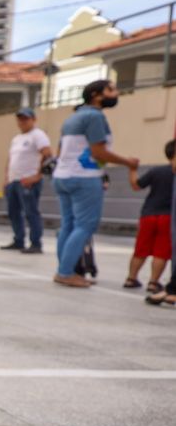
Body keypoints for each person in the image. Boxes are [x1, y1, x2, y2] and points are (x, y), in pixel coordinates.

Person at [51, 80, 140, 289]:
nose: (116, 93)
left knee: (69, 224)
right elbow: (98, 152)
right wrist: (128, 162)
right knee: (85, 225)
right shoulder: (95, 117)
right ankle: (65, 272)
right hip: (84, 176)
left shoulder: (73, 118)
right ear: (96, 95)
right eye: (111, 90)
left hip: (63, 175)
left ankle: (66, 269)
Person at [3, 108, 53, 253]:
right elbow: (10, 159)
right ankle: (18, 239)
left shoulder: (38, 135)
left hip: (28, 180)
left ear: (33, 119)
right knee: (13, 212)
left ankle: (36, 243)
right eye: (20, 119)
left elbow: (48, 155)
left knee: (31, 212)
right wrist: (6, 178)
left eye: (25, 118)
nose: (22, 122)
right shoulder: (16, 139)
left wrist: (37, 176)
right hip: (14, 180)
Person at [127, 139, 174, 293]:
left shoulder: (156, 171)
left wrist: (132, 169)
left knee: (141, 248)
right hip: (168, 217)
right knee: (162, 251)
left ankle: (131, 278)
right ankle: (153, 282)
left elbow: (136, 185)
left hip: (149, 214)